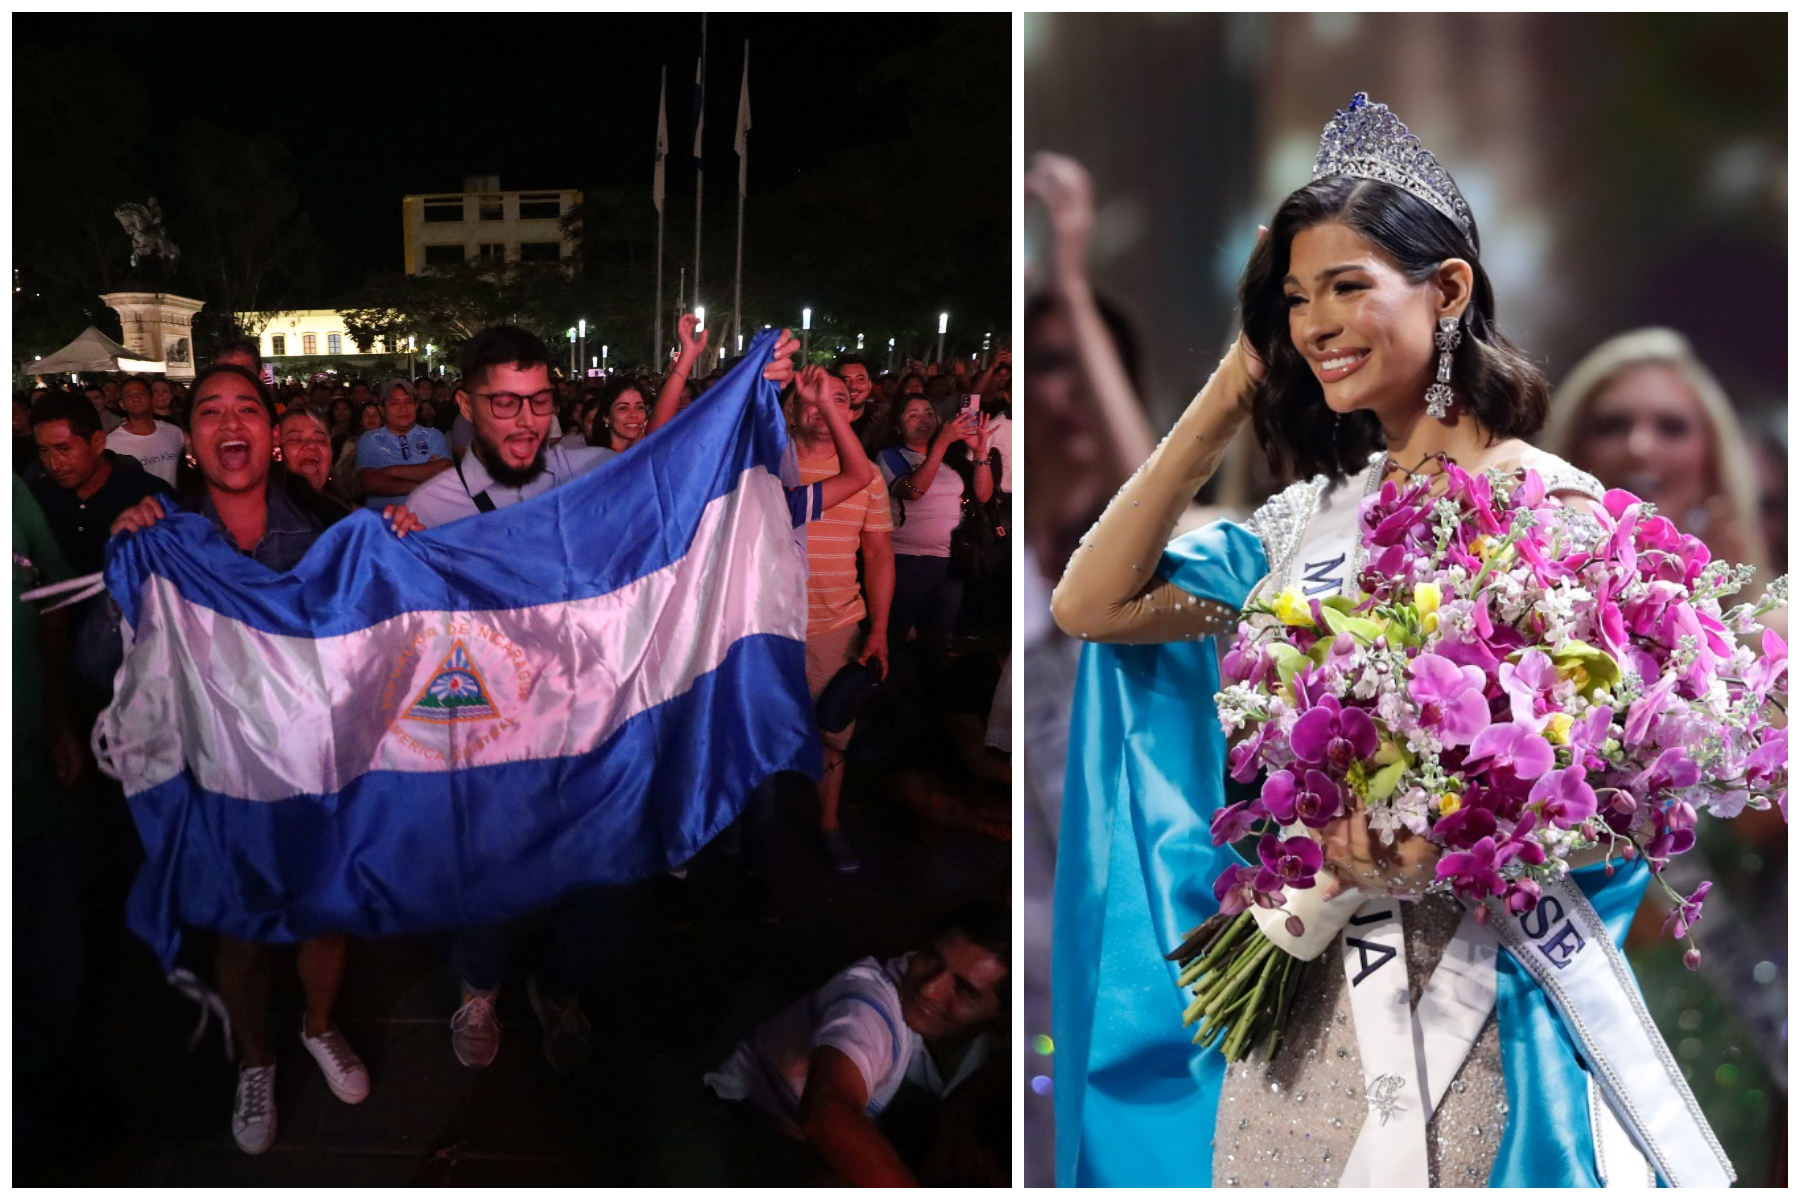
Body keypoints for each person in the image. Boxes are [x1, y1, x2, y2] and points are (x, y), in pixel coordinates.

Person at [1049, 93, 1736, 1189]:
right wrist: (1236, 379)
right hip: (1299, 1029)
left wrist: (1451, 837)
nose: (1315, 323)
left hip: (1485, 1023)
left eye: (1347, 288)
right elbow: (1090, 606)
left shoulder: (1564, 518)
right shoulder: (1305, 528)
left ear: (1448, 289)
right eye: (1295, 300)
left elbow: (1622, 805)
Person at [404, 323, 801, 1075]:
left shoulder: (590, 472)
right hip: (492, 747)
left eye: (538, 402)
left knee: (608, 888)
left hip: (596, 730)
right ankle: (481, 988)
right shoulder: (428, 511)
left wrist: (757, 384)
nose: (525, 422)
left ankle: (557, 987)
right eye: (503, 404)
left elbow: (681, 455)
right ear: (464, 403)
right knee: (489, 884)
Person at [106, 364, 421, 1155]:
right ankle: (257, 1058)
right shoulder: (163, 535)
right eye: (210, 410)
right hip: (219, 776)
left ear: (272, 432)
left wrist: (404, 551)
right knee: (240, 931)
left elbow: (395, 636)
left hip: (317, 765)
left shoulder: (325, 526)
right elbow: (94, 665)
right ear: (190, 438)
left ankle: (318, 1025)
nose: (230, 421)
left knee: (324, 910)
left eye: (247, 407)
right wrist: (125, 567)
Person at [678, 900, 1009, 1185]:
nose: (928, 989)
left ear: (1001, 1019)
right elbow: (827, 1112)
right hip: (740, 1123)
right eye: (930, 958)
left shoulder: (995, 1050)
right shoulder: (869, 1004)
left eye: (963, 989)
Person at [1541, 328, 1775, 599]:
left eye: (1671, 428)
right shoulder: (1511, 595)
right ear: (1572, 448)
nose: (1639, 447)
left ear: (1712, 459)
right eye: (1612, 426)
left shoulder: (1781, 633)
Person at [788, 368, 895, 874]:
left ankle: (828, 822)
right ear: (793, 408)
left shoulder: (867, 475)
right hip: (767, 626)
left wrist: (878, 630)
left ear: (852, 412)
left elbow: (877, 553)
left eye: (838, 400)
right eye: (812, 400)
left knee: (834, 731)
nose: (823, 409)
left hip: (835, 623)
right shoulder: (769, 465)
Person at [876, 396, 994, 666]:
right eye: (913, 414)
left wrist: (980, 452)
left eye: (929, 413)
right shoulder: (891, 456)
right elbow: (914, 492)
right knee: (895, 638)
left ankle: (929, 698)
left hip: (949, 563)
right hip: (907, 560)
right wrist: (941, 443)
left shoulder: (950, 461)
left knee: (936, 641)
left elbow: (983, 494)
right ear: (897, 425)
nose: (924, 419)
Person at [28, 395, 174, 577]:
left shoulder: (150, 496)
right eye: (44, 450)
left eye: (64, 449)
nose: (54, 464)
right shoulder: (36, 499)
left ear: (97, 442)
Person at [355, 379, 452, 510]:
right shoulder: (370, 439)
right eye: (394, 403)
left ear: (416, 405)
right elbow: (371, 482)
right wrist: (424, 479)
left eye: (409, 402)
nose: (403, 408)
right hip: (382, 522)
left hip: (427, 519)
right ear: (382, 409)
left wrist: (390, 471)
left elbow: (444, 471)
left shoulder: (432, 436)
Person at [104, 375, 185, 486]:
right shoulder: (111, 444)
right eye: (129, 395)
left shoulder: (174, 432)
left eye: (142, 394)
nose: (136, 399)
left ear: (151, 398)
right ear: (122, 404)